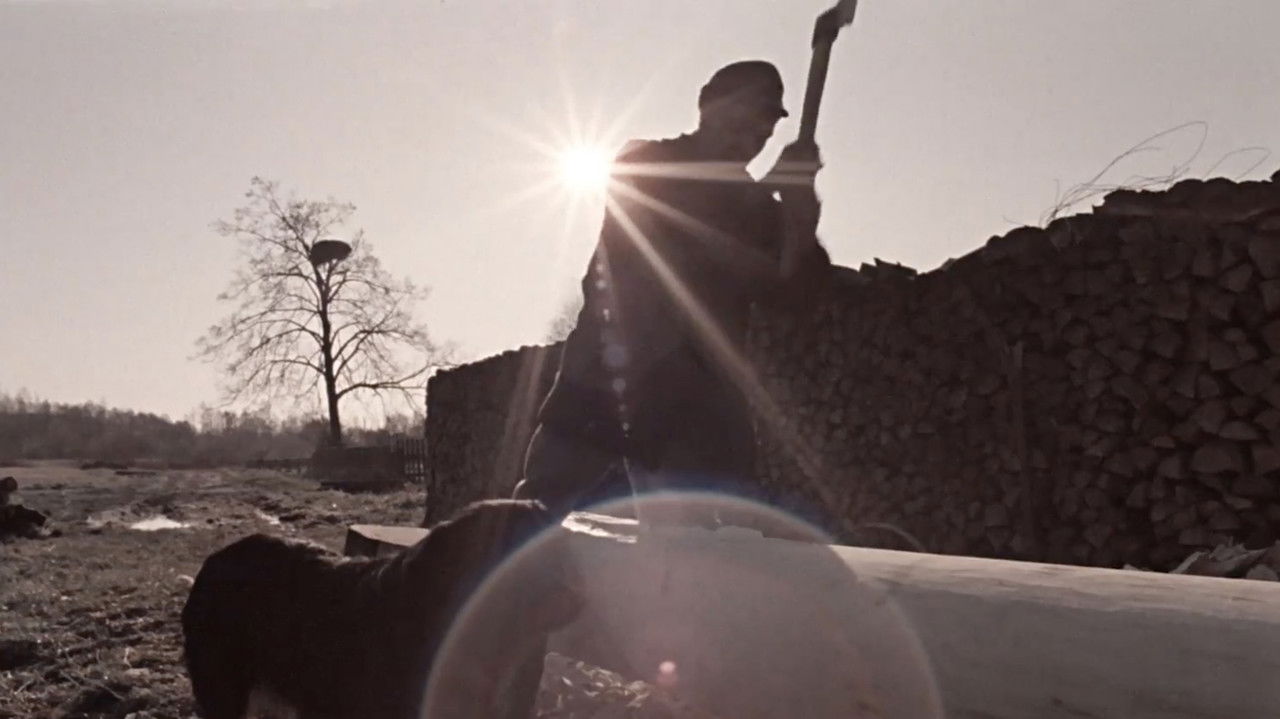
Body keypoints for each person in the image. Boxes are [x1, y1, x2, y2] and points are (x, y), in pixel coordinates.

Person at [502, 59, 832, 719]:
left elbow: (797, 292)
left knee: (701, 564)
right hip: (604, 383)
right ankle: (491, 680)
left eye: (768, 124)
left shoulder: (758, 207)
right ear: (707, 103)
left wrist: (801, 212)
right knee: (525, 532)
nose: (758, 131)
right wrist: (766, 210)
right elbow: (682, 234)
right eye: (746, 112)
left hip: (693, 408)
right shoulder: (642, 162)